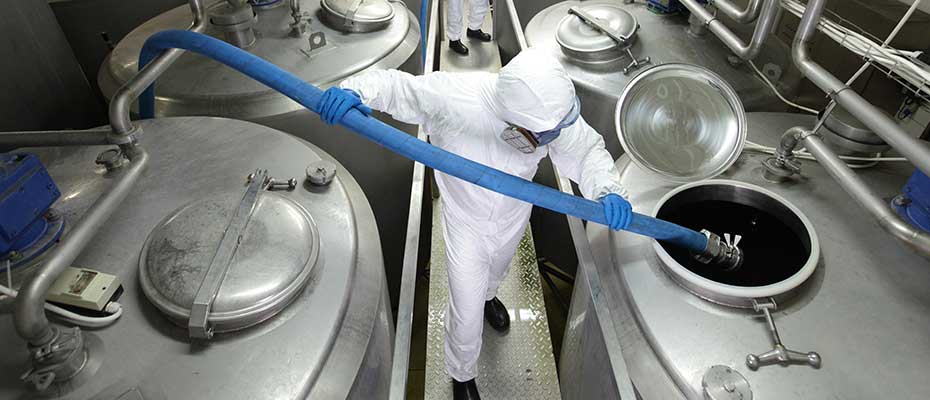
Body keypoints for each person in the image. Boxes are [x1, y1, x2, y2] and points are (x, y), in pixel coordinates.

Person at [316, 49, 632, 400]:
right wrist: (354, 90)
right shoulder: (453, 99)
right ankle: (462, 373)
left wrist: (607, 189)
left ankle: (490, 297)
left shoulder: (550, 114)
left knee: (497, 270)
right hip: (465, 223)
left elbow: (585, 150)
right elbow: (396, 86)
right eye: (546, 134)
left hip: (514, 215)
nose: (554, 137)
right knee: (464, 313)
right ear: (519, 123)